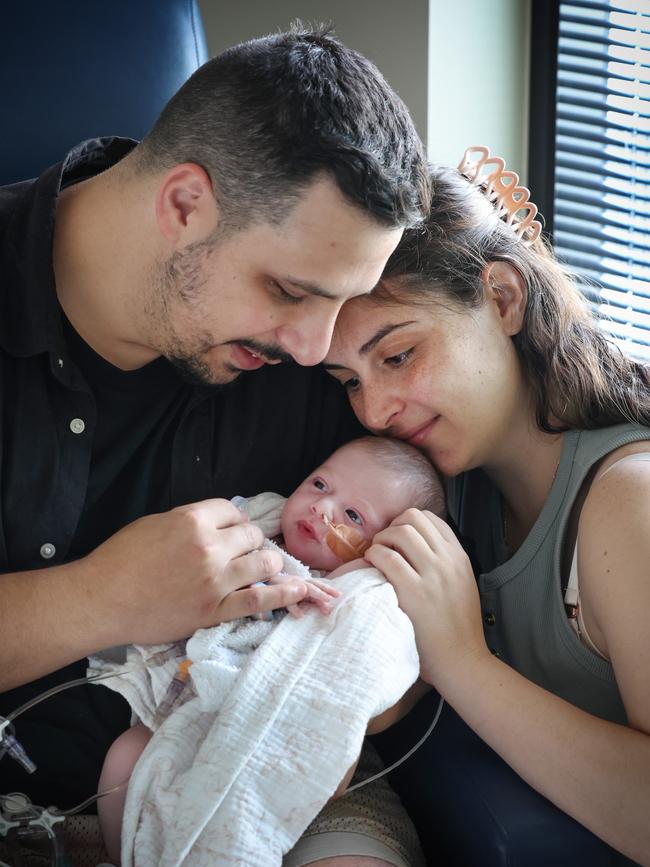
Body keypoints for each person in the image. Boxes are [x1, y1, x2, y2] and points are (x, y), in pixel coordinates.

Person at [0, 25, 430, 867]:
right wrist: (101, 597)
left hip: (247, 758)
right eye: (290, 292)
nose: (315, 348)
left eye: (342, 305)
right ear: (184, 202)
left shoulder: (305, 360)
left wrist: (346, 688)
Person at [324, 156, 650, 866]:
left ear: (502, 298)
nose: (374, 409)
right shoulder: (447, 481)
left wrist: (461, 663)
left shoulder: (630, 503)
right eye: (349, 379)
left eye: (400, 355)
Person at [96, 435, 445, 865]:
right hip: (194, 707)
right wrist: (277, 579)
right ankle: (121, 855)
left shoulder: (364, 594)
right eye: (320, 485)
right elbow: (211, 578)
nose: (322, 508)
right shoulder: (255, 533)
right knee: (121, 763)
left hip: (271, 728)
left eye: (352, 515)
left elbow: (372, 664)